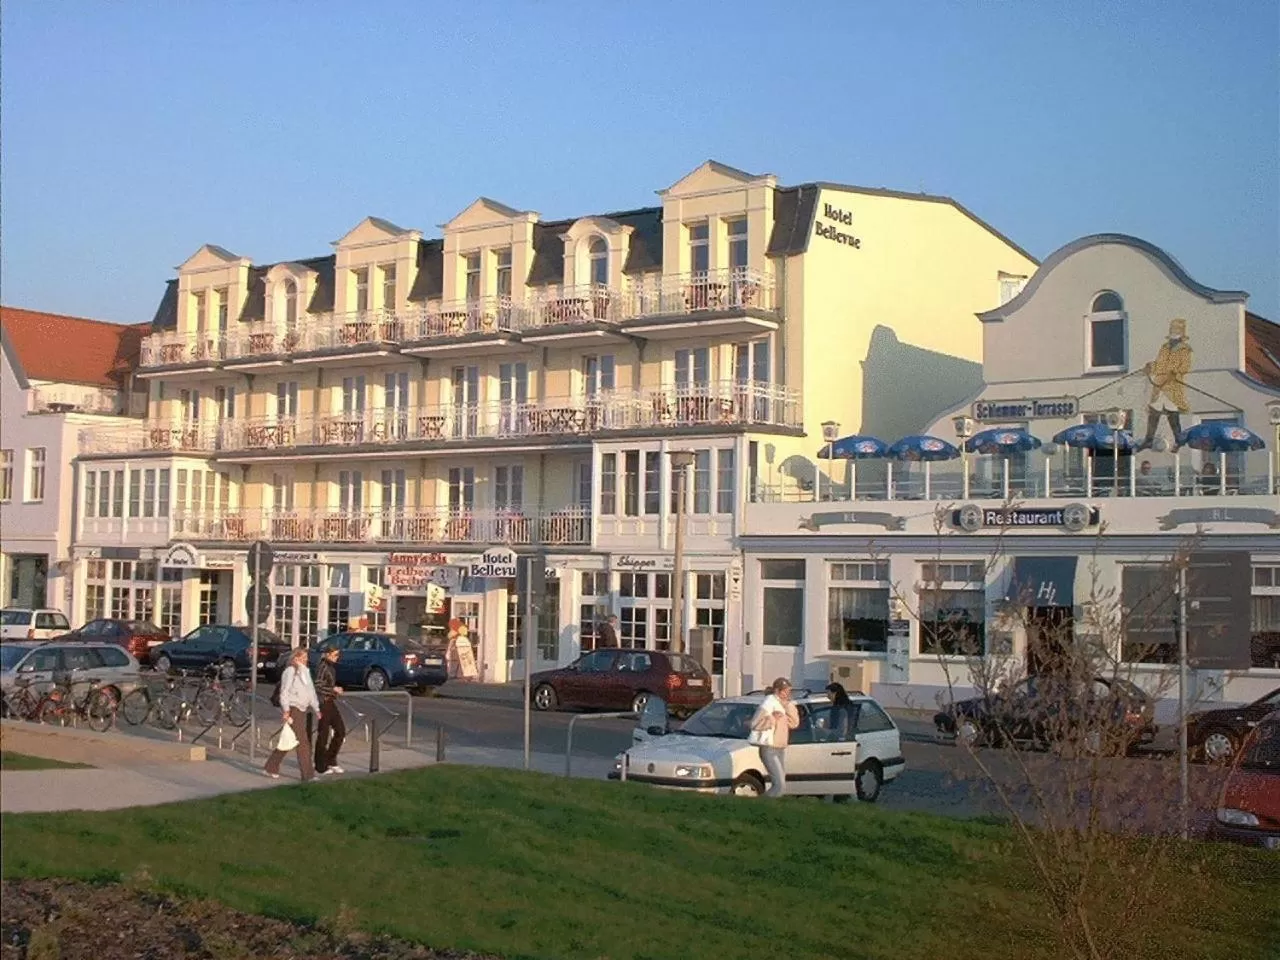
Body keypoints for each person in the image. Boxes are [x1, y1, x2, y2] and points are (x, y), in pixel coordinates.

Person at [264, 647, 319, 782]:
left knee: (289, 739)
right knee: (303, 742)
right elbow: (284, 692)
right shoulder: (290, 671)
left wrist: (316, 708)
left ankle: (271, 766)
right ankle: (308, 775)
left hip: (302, 708)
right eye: (302, 657)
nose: (305, 660)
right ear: (295, 658)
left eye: (306, 658)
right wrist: (286, 710)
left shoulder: (305, 672)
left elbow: (311, 691)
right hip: (294, 708)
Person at [750, 677, 799, 798]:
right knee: (779, 785)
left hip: (780, 747)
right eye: (786, 691)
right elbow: (754, 724)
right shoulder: (768, 703)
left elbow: (794, 723)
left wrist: (788, 705)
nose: (788, 694)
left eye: (789, 691)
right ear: (777, 690)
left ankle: (770, 804)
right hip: (769, 747)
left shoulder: (782, 704)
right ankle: (762, 804)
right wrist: (772, 718)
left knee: (781, 785)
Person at [313, 645, 346, 776]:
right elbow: (318, 685)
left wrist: (335, 689)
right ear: (327, 654)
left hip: (330, 702)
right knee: (323, 733)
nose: (336, 658)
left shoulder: (331, 667)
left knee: (340, 730)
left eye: (337, 655)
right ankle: (320, 765)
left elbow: (328, 684)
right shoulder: (323, 666)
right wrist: (333, 690)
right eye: (334, 655)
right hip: (323, 702)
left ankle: (330, 759)